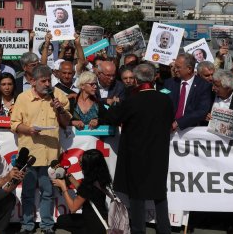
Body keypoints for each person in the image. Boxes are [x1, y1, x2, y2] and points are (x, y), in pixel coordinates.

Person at [107, 63, 173, 234]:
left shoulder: (132, 101)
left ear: (135, 80)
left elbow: (114, 118)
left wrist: (114, 104)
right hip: (159, 153)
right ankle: (164, 229)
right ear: (153, 78)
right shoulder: (165, 99)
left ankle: (138, 230)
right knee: (159, 193)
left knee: (137, 195)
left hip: (137, 154)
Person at [11, 65, 72, 234]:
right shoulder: (23, 98)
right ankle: (27, 225)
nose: (47, 84)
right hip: (29, 154)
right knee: (28, 192)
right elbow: (14, 124)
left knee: (48, 191)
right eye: (43, 81)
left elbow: (66, 121)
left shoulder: (58, 95)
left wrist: (60, 109)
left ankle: (47, 225)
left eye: (49, 80)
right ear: (33, 81)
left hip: (50, 154)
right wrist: (28, 129)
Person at [52, 149, 111, 234]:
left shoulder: (88, 185)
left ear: (88, 166)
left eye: (81, 163)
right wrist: (68, 174)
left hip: (92, 225)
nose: (80, 165)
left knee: (61, 220)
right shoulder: (100, 178)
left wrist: (63, 187)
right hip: (103, 220)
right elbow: (83, 191)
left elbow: (73, 208)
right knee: (64, 220)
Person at [164, 53, 213, 130]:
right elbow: (162, 100)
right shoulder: (169, 83)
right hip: (168, 127)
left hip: (190, 130)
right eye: (175, 66)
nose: (175, 69)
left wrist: (178, 123)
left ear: (189, 69)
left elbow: (202, 110)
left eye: (178, 67)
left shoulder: (204, 86)